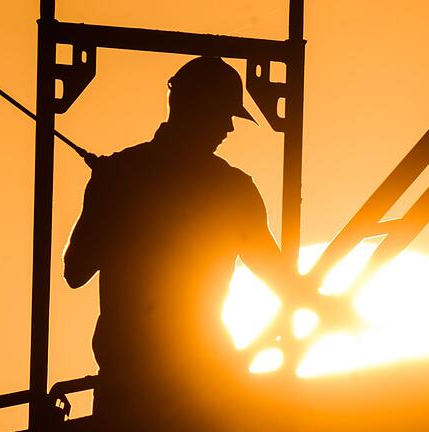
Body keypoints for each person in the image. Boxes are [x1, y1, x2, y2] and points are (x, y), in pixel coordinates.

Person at [63, 56, 303, 430]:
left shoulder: (120, 175)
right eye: (223, 114)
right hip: (200, 383)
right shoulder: (232, 190)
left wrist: (107, 199)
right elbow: (279, 277)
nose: (228, 128)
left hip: (129, 386)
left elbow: (75, 269)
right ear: (194, 109)